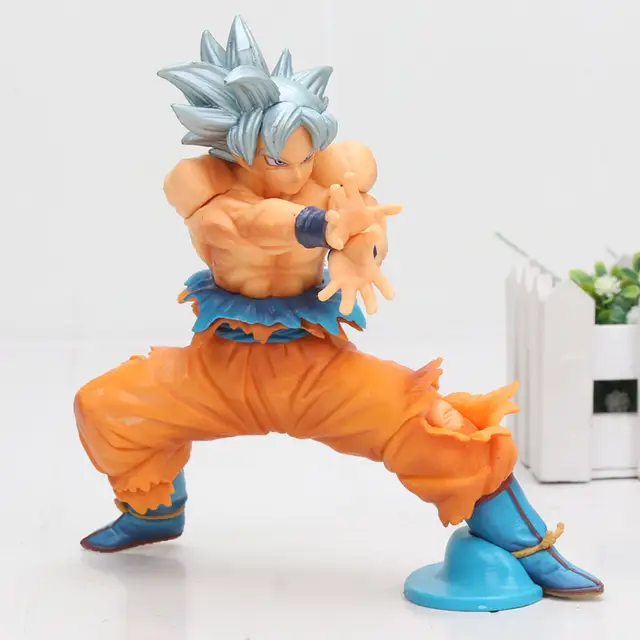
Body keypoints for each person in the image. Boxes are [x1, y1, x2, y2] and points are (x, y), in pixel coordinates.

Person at [74, 15, 603, 599]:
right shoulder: (206, 186)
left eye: (305, 157)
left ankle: (530, 548)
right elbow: (245, 226)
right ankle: (153, 512)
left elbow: (366, 224)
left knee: (437, 425)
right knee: (106, 405)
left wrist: (360, 251)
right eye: (278, 161)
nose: (297, 173)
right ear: (237, 149)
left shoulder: (333, 174)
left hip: (313, 367)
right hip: (218, 366)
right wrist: (322, 226)